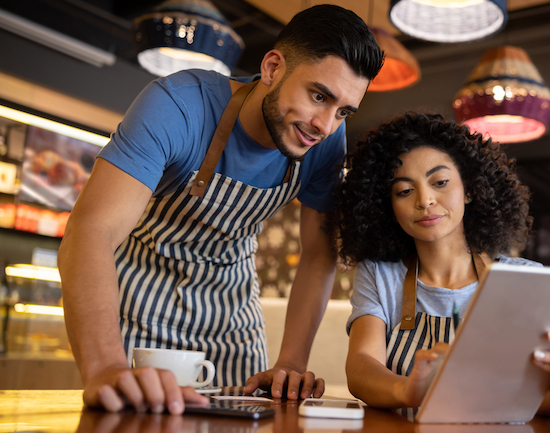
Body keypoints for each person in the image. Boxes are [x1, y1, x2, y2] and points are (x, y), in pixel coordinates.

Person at [58, 4, 383, 414]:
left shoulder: (325, 144)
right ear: (272, 68)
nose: (326, 125)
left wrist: (290, 364)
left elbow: (318, 255)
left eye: (343, 112)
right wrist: (105, 365)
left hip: (232, 319)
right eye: (319, 96)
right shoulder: (176, 106)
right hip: (138, 308)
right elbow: (90, 231)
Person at [331, 112, 550, 417]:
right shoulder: (380, 274)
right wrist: (407, 390)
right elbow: (361, 366)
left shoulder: (524, 278)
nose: (424, 200)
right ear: (387, 206)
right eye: (404, 191)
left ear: (470, 190)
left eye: (440, 182)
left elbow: (537, 403)